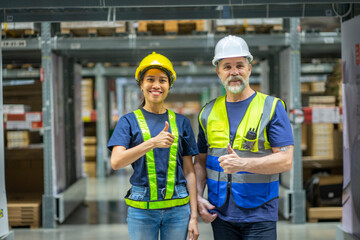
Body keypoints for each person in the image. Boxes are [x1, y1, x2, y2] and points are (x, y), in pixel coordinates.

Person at [194, 35, 294, 240]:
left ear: (249, 68)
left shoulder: (272, 107)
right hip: (220, 213)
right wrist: (197, 197)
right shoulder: (207, 112)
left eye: (240, 65)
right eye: (227, 66)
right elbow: (201, 162)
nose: (234, 72)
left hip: (260, 212)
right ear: (218, 72)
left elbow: (286, 160)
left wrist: (243, 164)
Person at [108, 52, 199, 240]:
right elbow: (116, 162)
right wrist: (151, 143)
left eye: (162, 80)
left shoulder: (182, 122)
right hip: (142, 210)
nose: (156, 85)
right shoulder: (128, 121)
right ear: (141, 85)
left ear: (169, 86)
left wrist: (194, 216)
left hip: (178, 209)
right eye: (150, 79)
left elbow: (189, 170)